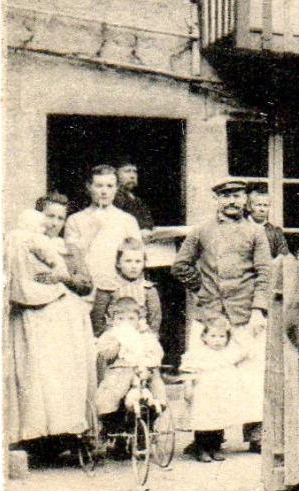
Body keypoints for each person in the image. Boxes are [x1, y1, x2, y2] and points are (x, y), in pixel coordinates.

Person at [172, 179, 271, 453]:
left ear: (245, 200)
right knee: (208, 377)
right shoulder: (202, 230)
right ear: (216, 199)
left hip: (245, 313)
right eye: (226, 196)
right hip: (210, 316)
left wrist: (258, 310)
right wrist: (201, 289)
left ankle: (256, 434)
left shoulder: (255, 232)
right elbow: (180, 265)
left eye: (237, 196)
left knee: (250, 375)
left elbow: (265, 273)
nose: (232, 201)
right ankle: (209, 437)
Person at [4, 199, 97, 452]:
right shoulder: (20, 242)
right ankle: (34, 439)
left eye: (59, 218)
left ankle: (65, 436)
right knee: (35, 377)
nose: (53, 223)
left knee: (62, 376)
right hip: (30, 320)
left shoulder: (69, 249)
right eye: (48, 216)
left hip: (64, 322)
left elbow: (86, 284)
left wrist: (62, 276)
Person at [92, 295, 168, 435]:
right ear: (113, 320)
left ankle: (147, 422)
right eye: (121, 319)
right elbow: (106, 353)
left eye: (131, 319)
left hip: (144, 370)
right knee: (110, 394)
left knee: (156, 389)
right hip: (120, 371)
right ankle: (114, 427)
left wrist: (148, 366)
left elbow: (156, 352)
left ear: (139, 320)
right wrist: (119, 342)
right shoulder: (111, 335)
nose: (126, 323)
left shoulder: (145, 335)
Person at [64, 165, 142, 298]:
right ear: (89, 186)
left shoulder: (128, 220)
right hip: (87, 290)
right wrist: (92, 229)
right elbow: (73, 261)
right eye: (99, 186)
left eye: (109, 186)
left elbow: (137, 259)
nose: (104, 191)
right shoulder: (75, 220)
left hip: (119, 290)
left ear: (117, 188)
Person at [180, 316, 249, 463]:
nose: (218, 340)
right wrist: (187, 387)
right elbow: (188, 371)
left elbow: (244, 351)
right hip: (204, 393)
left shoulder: (227, 353)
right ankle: (201, 448)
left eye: (222, 336)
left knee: (219, 420)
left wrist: (234, 334)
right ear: (204, 337)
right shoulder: (198, 353)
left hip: (222, 393)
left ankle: (215, 447)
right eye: (213, 336)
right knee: (203, 420)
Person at [90, 238, 163, 337]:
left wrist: (149, 339)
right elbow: (97, 318)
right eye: (128, 261)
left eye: (138, 261)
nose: (133, 266)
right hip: (113, 336)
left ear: (144, 264)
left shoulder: (148, 290)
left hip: (140, 337)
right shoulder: (108, 287)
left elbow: (154, 319)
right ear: (118, 263)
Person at [246, 182, 292, 259]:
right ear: (249, 207)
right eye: (258, 205)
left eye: (265, 205)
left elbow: (283, 256)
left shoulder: (275, 232)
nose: (262, 209)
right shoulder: (241, 228)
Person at [113, 161, 155, 233]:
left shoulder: (136, 199)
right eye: (127, 171)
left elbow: (148, 221)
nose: (132, 176)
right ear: (116, 174)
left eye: (134, 172)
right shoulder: (112, 197)